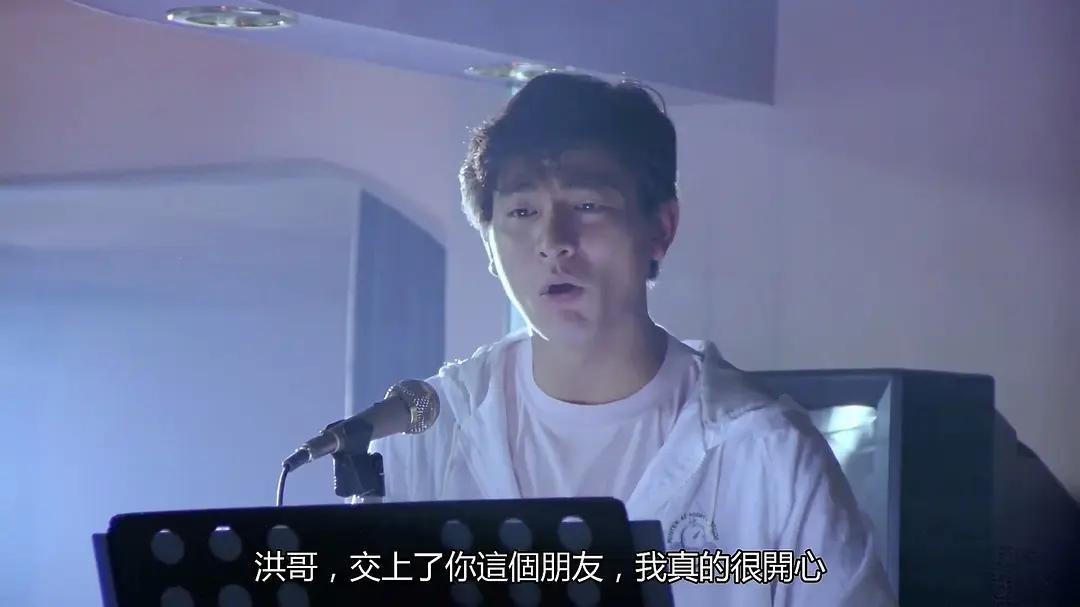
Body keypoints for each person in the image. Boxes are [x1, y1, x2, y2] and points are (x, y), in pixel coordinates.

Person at [370, 72, 897, 606]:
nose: (553, 243)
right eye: (522, 212)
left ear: (661, 229)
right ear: (489, 243)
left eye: (587, 207)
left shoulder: (765, 452)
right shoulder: (428, 437)